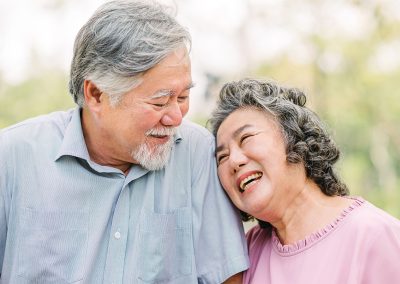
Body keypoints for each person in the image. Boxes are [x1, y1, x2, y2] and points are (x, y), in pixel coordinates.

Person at [0, 1, 249, 283]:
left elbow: (227, 277)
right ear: (96, 94)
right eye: (159, 101)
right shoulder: (12, 158)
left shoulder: (198, 153)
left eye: (182, 98)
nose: (176, 117)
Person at [209, 78, 400, 284]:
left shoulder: (373, 235)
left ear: (294, 137)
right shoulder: (244, 255)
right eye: (222, 157)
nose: (234, 161)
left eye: (246, 138)